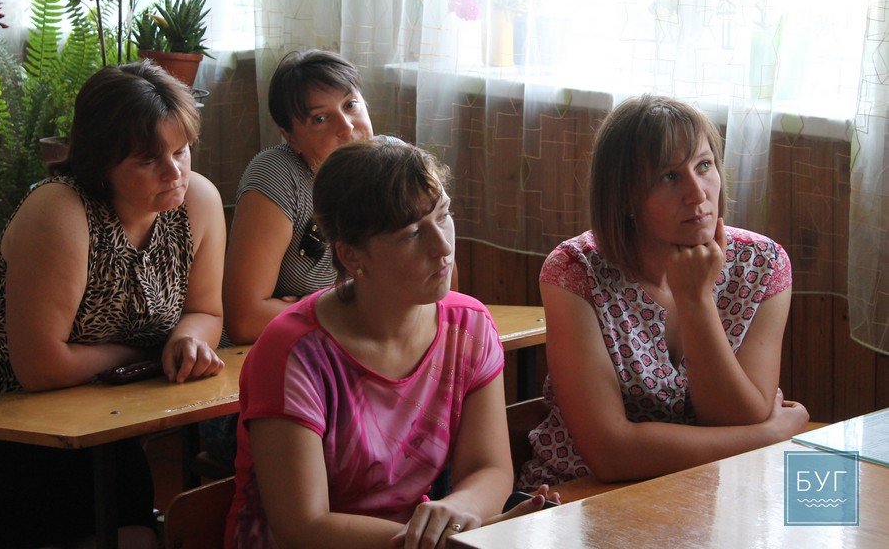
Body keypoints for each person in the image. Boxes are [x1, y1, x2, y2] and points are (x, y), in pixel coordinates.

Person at [0, 61, 227, 549]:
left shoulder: (198, 202)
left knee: (137, 540)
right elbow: (40, 367)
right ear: (101, 162)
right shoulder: (61, 210)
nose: (175, 172)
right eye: (148, 160)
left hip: (97, 423)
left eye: (181, 150)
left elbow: (206, 311)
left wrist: (186, 340)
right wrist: (147, 353)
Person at [226, 138, 550, 549]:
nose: (443, 247)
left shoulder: (468, 327)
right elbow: (303, 526)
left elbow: (489, 469)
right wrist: (434, 541)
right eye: (413, 233)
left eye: (444, 215)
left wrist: (457, 513)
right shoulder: (293, 353)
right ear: (352, 256)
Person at [518, 95, 810, 490]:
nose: (698, 193)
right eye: (669, 177)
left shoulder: (763, 264)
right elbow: (610, 454)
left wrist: (696, 300)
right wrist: (768, 435)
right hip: (577, 495)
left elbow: (735, 419)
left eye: (704, 165)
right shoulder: (575, 271)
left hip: (709, 494)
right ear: (624, 197)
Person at [222, 48, 373, 345]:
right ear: (290, 136)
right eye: (320, 118)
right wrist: (350, 309)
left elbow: (436, 277)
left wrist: (311, 308)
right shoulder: (277, 174)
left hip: (354, 345)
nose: (346, 127)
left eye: (350, 104)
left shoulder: (395, 165)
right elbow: (245, 320)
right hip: (270, 351)